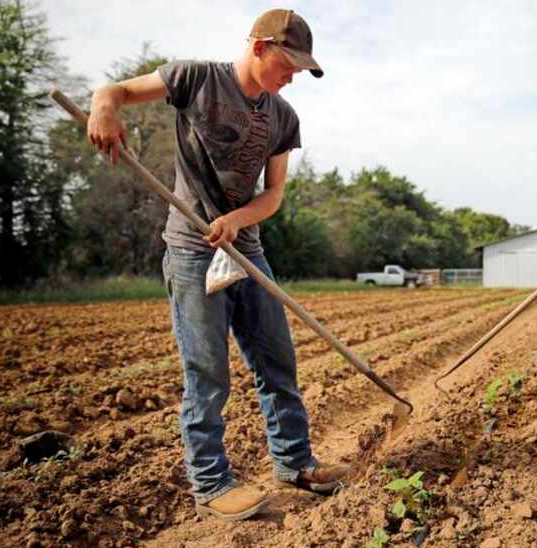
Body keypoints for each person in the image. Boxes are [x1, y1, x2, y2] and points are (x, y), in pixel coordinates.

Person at [87, 8, 349, 521]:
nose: (293, 75)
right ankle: (210, 483)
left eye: (300, 67)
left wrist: (237, 218)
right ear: (259, 46)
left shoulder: (283, 116)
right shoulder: (195, 78)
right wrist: (102, 107)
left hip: (246, 249)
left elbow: (272, 195)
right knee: (207, 371)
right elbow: (115, 92)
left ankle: (294, 462)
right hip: (190, 248)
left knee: (277, 361)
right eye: (288, 62)